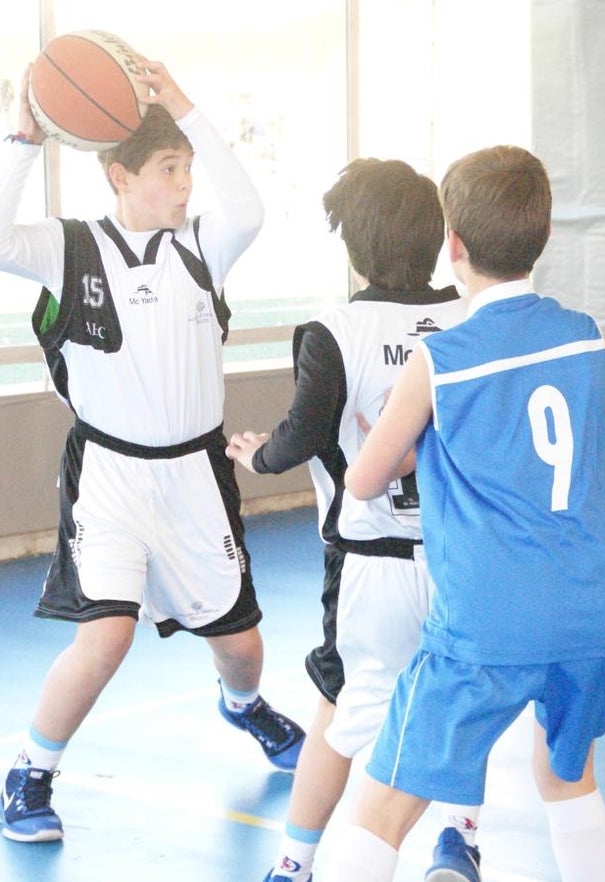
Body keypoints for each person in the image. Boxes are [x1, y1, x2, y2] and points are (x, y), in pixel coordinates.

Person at [0, 59, 305, 843]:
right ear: (120, 176)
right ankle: (30, 773)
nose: (186, 184)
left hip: (197, 475)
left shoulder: (204, 247)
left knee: (243, 647)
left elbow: (250, 207)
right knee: (106, 637)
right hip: (111, 476)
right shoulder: (70, 247)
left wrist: (187, 110)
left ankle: (243, 705)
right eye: (168, 169)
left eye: (188, 168)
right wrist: (24, 135)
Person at [323, 145, 605, 882]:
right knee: (567, 778)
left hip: (490, 622)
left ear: (453, 245)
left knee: (381, 808)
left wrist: (410, 438)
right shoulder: (592, 339)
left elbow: (365, 481)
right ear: (542, 236)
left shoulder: (443, 360)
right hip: (598, 611)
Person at [225, 158, 483, 882]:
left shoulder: (334, 330)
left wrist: (258, 458)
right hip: (466, 560)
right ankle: (458, 843)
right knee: (459, 701)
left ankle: (295, 864)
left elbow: (301, 436)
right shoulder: (470, 319)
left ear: (357, 244)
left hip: (373, 564)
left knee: (337, 719)